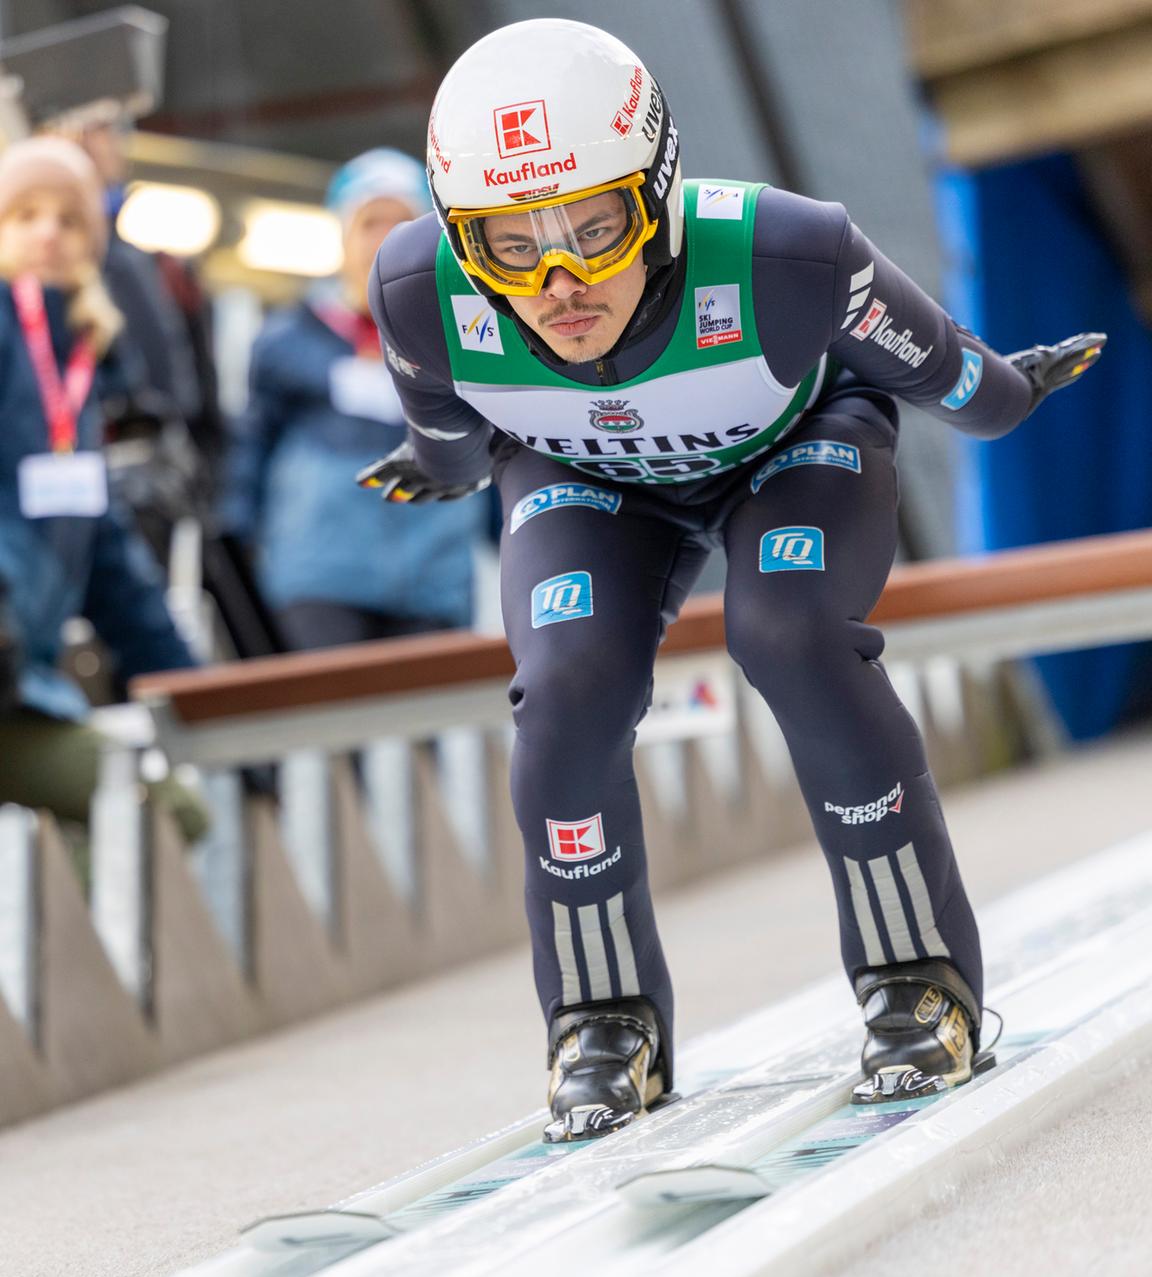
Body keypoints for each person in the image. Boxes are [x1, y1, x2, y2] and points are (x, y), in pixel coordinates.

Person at [361, 19, 1105, 1139]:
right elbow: (455, 447)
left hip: (791, 451)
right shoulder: (418, 289)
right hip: (589, 480)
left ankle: (920, 982)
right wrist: (431, 465)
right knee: (564, 687)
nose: (563, 283)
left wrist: (1012, 390)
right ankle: (601, 1021)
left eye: (596, 229)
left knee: (789, 631)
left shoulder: (786, 251)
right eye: (511, 247)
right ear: (460, 242)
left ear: (659, 195)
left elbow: (953, 376)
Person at [0, 136, 208, 845]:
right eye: (23, 214)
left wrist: (194, 689)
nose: (47, 232)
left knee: (167, 818)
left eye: (68, 218)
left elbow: (112, 566)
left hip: (21, 693)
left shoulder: (79, 369)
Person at [220, 148, 483, 650]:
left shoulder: (465, 339)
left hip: (433, 582)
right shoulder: (286, 340)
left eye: (400, 224)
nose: (383, 240)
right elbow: (249, 450)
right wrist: (238, 545)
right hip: (319, 583)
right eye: (369, 223)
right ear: (342, 237)